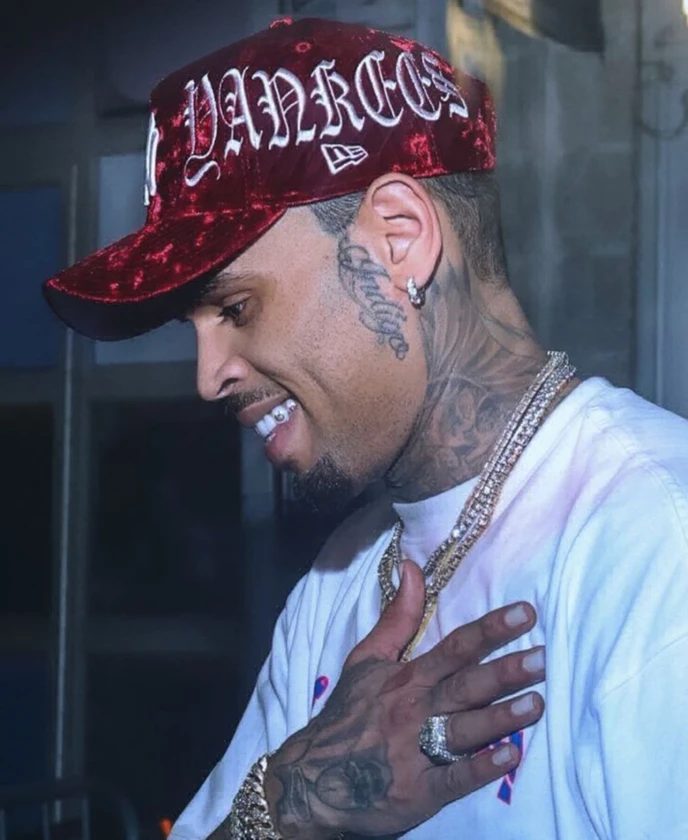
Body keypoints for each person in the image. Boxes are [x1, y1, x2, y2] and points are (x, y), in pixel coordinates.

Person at [42, 16, 688, 840]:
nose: (208, 377)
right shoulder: (337, 579)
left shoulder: (655, 546)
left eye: (235, 308)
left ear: (399, 239)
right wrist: (292, 804)